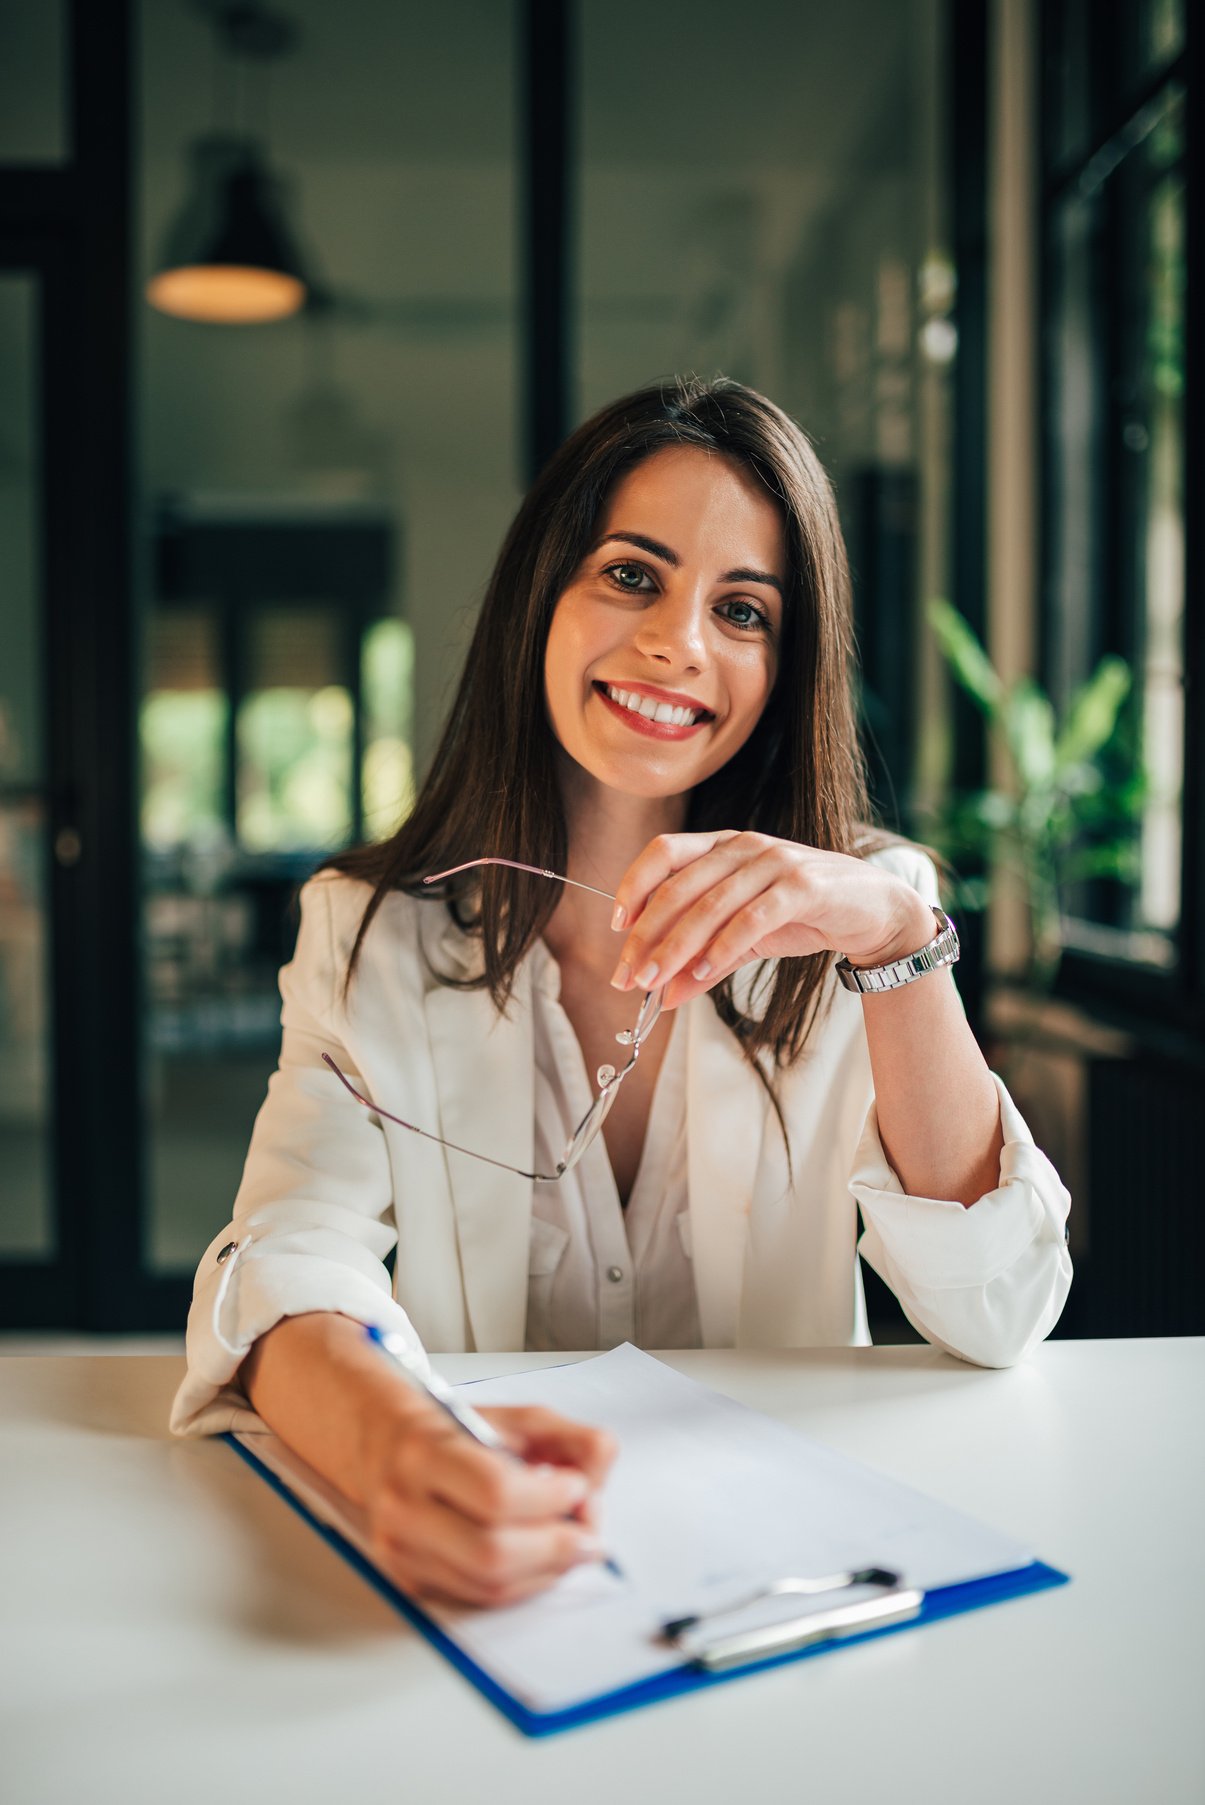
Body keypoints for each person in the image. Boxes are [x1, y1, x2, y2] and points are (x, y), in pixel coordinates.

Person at [170, 374, 1072, 1610]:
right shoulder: (365, 929)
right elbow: (288, 1259)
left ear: (784, 662)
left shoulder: (866, 913)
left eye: (743, 609)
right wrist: (397, 1447)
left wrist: (894, 936)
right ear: (541, 595)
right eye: (631, 574)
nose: (676, 643)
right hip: (508, 1568)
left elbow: (1002, 1306)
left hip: (796, 1566)